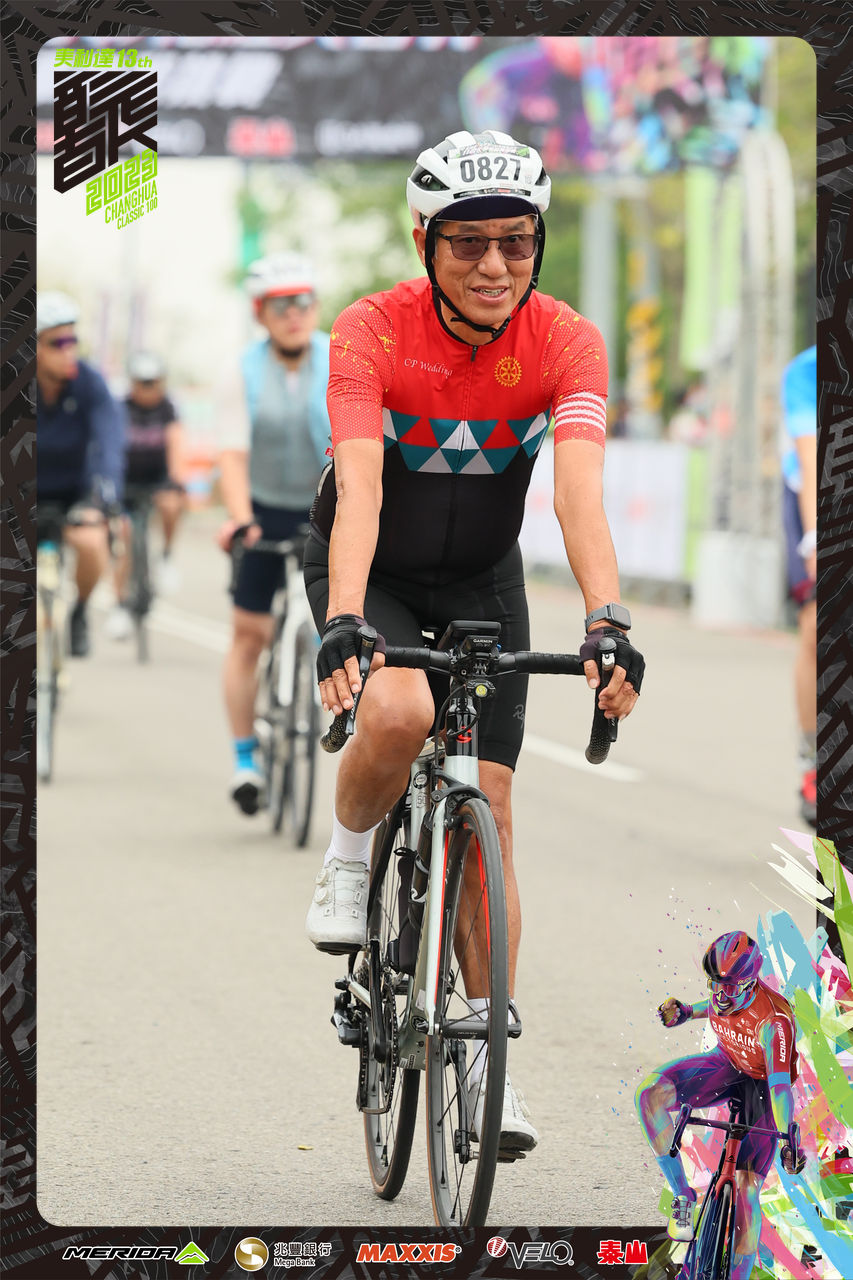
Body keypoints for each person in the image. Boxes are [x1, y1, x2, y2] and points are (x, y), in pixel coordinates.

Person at [302, 129, 645, 1157]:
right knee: (400, 710)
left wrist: (606, 618)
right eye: (467, 244)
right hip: (375, 568)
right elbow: (361, 490)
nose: (494, 265)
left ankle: (491, 1058)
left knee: (489, 807)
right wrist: (346, 617)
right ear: (423, 241)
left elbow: (577, 495)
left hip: (483, 579)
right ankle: (348, 858)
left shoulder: (566, 341)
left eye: (515, 241)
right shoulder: (371, 329)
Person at [218, 254, 331, 815]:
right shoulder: (242, 369)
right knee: (249, 636)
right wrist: (242, 520)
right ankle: (245, 759)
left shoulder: (339, 358)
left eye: (303, 302)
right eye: (280, 305)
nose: (294, 314)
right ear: (259, 313)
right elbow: (232, 457)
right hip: (262, 509)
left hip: (325, 506)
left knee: (341, 624)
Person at [635, 931, 805, 1280]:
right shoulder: (725, 992)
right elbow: (712, 1005)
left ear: (751, 982)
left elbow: (779, 1088)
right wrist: (686, 1013)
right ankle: (683, 1196)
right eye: (715, 984)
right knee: (649, 1095)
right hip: (726, 1064)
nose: (720, 995)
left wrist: (789, 1137)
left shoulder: (774, 1023)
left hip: (764, 1086)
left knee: (746, 1190)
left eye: (729, 987)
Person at [36, 291, 125, 657]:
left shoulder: (90, 382)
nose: (68, 350)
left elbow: (109, 442)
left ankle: (79, 612)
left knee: (92, 542)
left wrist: (104, 497)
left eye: (72, 340)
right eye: (57, 343)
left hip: (74, 491)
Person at [106, 351, 187, 639]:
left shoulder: (167, 408)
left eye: (154, 382)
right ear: (133, 383)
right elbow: (109, 446)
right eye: (143, 382)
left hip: (158, 479)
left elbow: (176, 443)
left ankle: (166, 557)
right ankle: (120, 606)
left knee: (172, 504)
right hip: (126, 481)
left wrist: (176, 480)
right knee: (123, 536)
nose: (149, 388)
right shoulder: (120, 408)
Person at [780, 345, 817, 828]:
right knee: (817, 627)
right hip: (814, 496)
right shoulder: (810, 371)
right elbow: (813, 463)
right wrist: (816, 540)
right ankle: (814, 761)